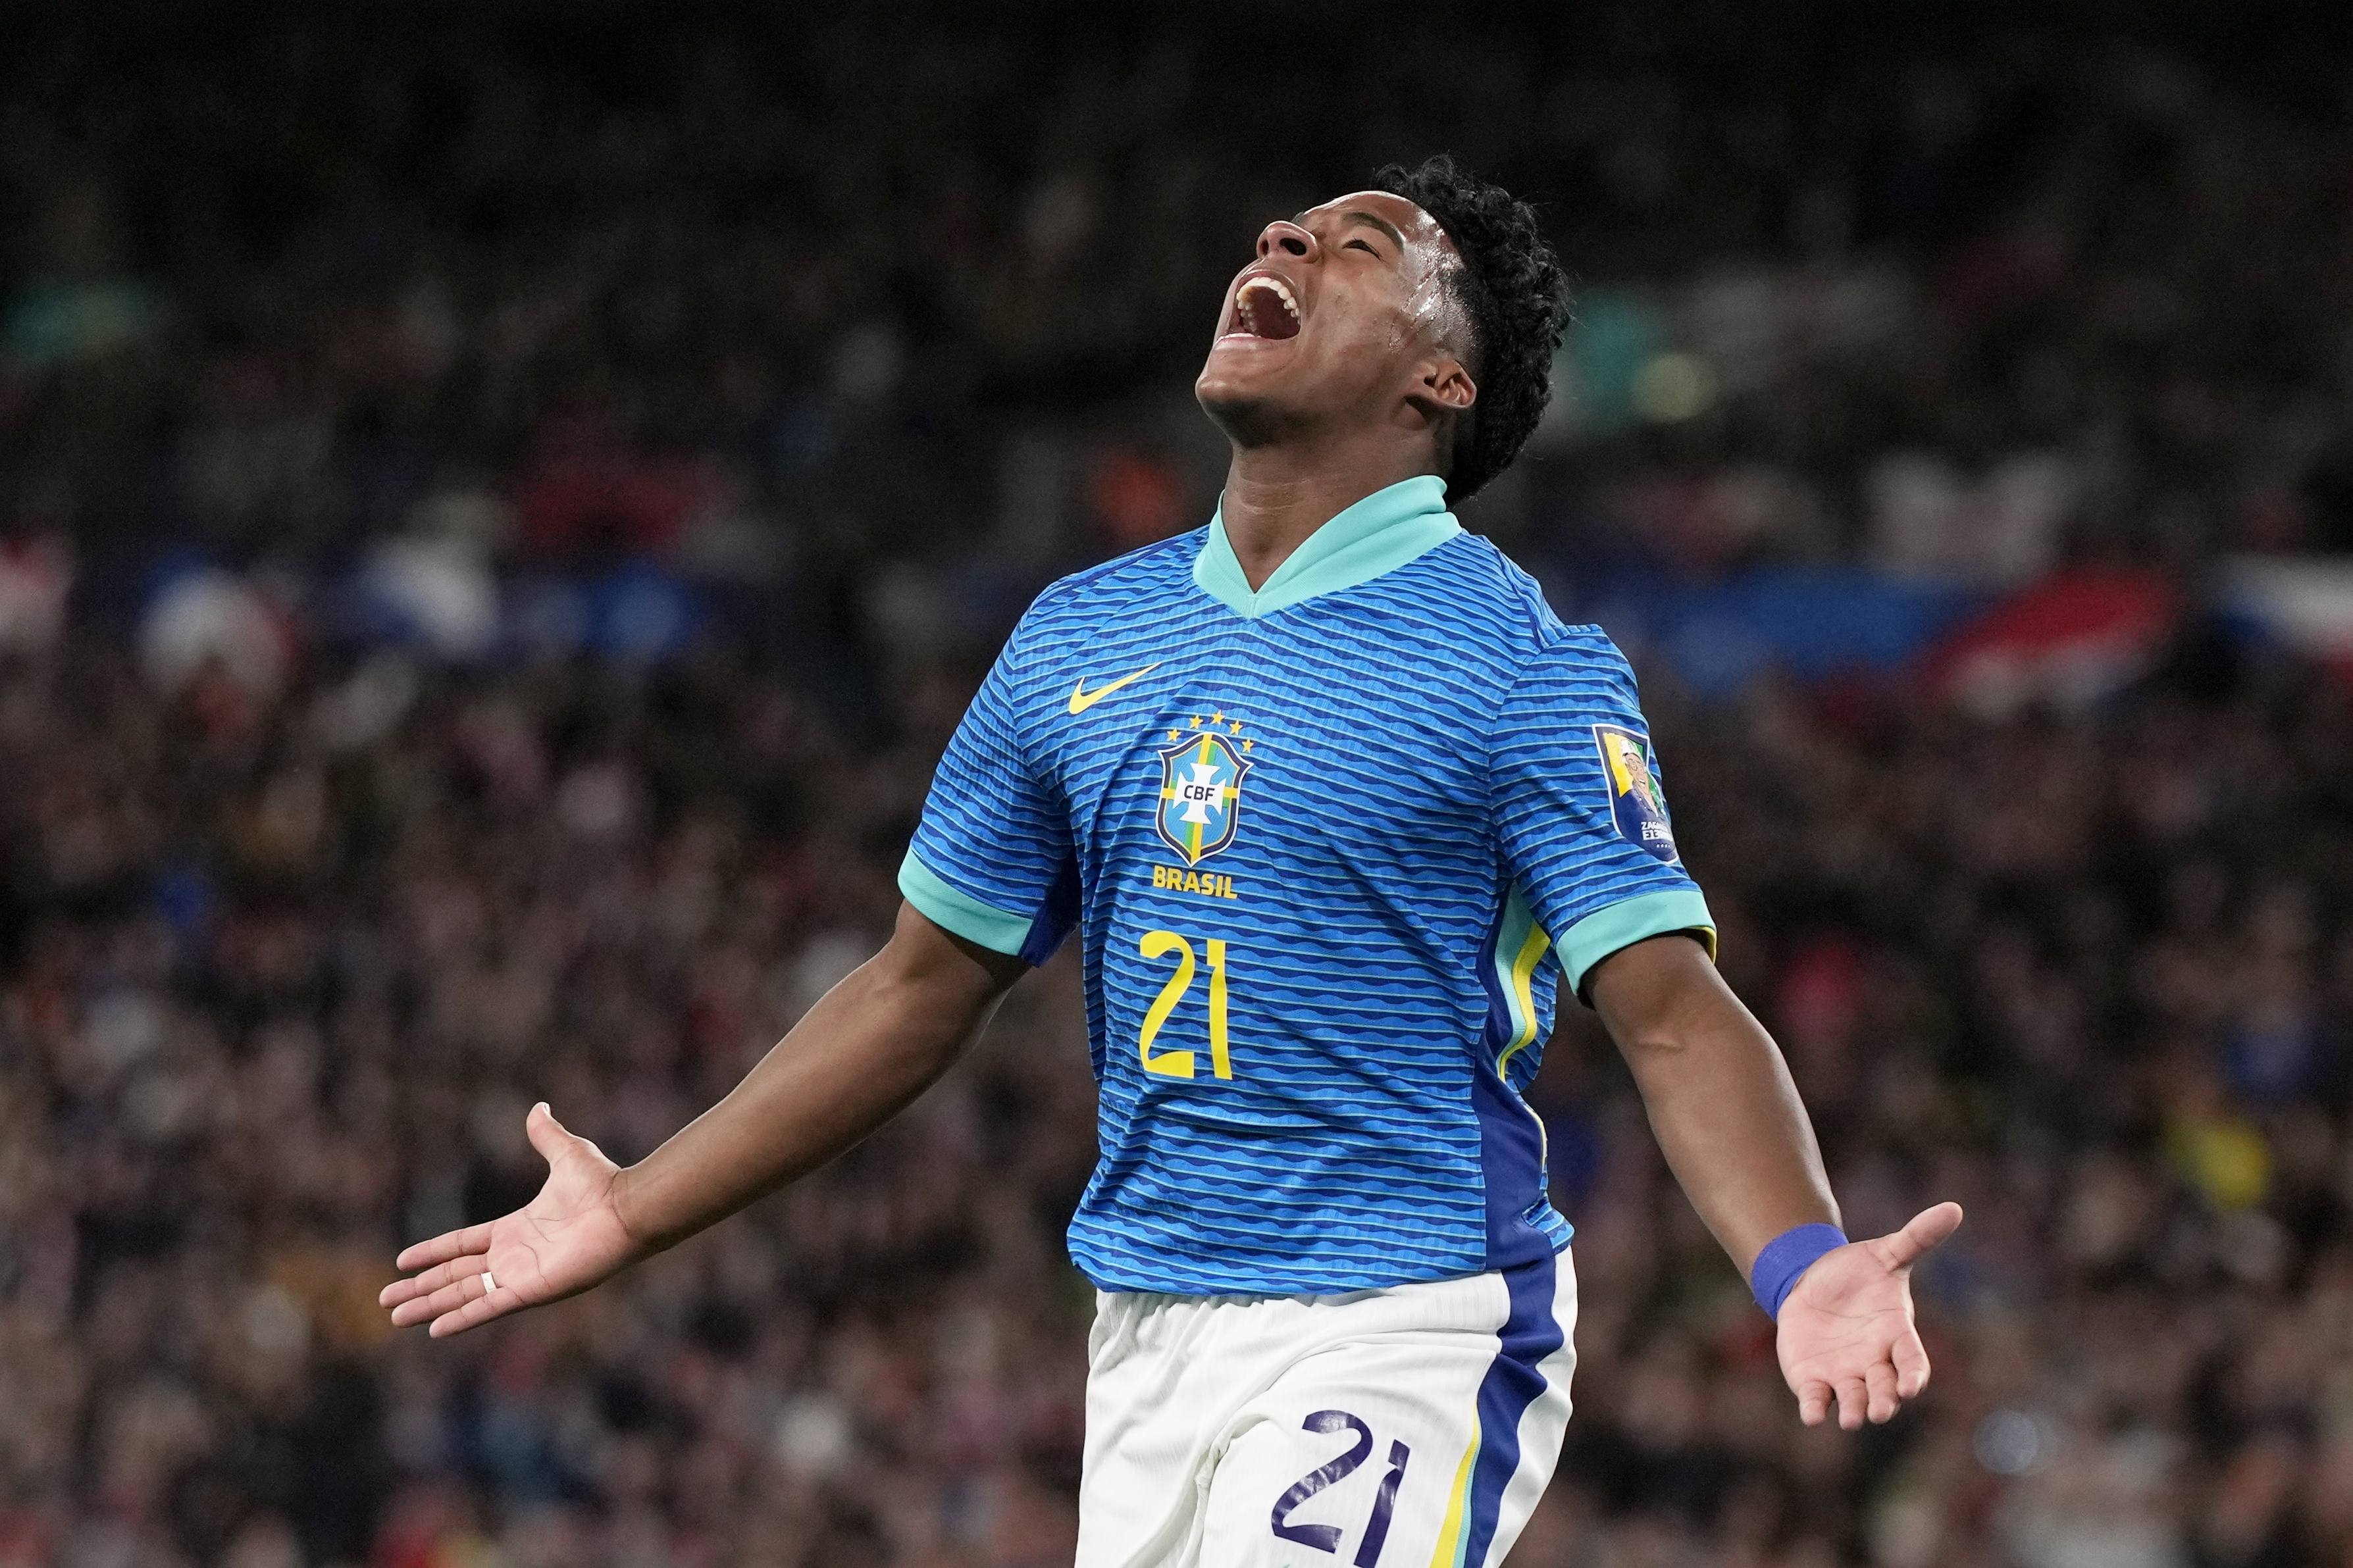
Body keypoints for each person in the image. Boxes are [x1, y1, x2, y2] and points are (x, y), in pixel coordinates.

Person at [382, 156, 1962, 1567]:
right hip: (1145, 1333)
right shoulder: (1082, 635)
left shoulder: (1518, 667)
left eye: (1361, 243)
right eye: (1294, 221)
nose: (1287, 233)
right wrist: (635, 1208)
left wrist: (1804, 1263)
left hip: (1402, 1320)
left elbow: (1676, 1014)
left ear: (1441, 377)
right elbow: (920, 985)